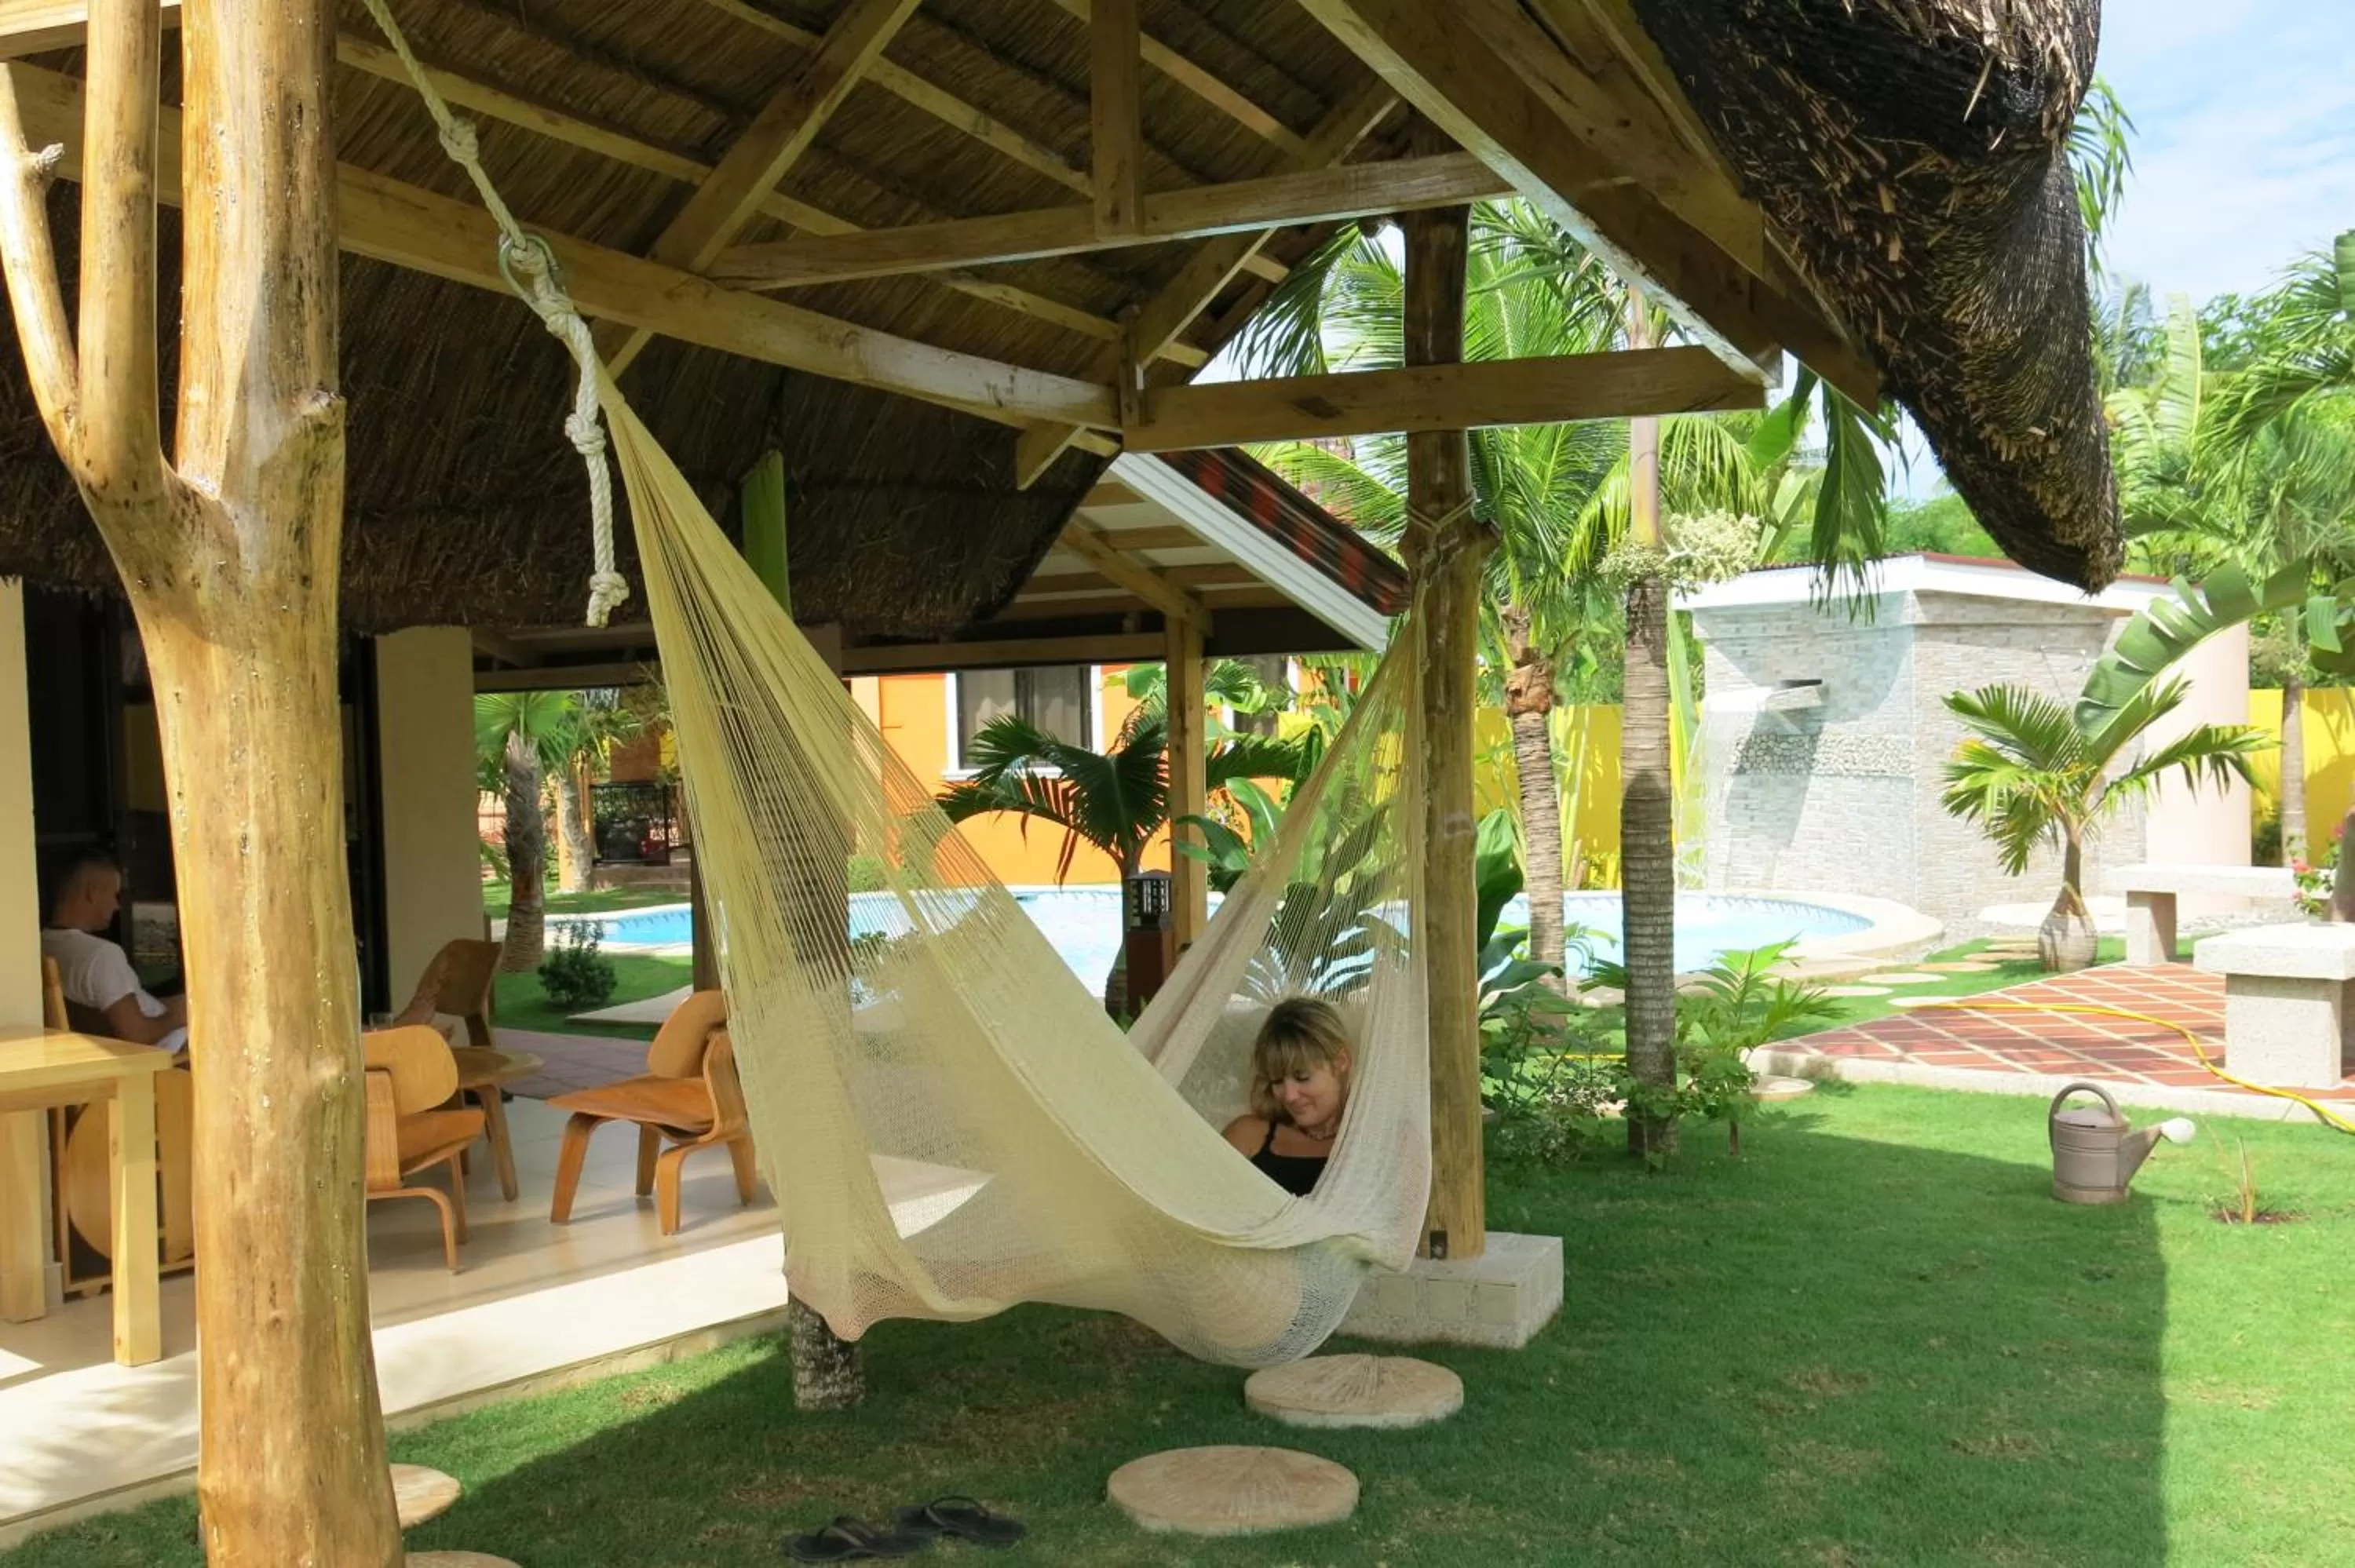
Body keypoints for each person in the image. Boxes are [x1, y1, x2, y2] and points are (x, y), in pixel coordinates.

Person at [40, 851, 187, 1051]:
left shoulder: (44, 944)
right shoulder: (103, 955)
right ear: (92, 893)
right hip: (174, 1056)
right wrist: (181, 1014)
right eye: (114, 895)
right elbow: (138, 1035)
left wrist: (174, 1006)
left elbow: (123, 1007)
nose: (117, 906)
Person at [1221, 997, 1353, 1198]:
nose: (1289, 1096)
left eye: (1302, 1077)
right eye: (1277, 1081)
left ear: (1341, 1062)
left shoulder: (1368, 1143)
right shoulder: (1247, 1135)